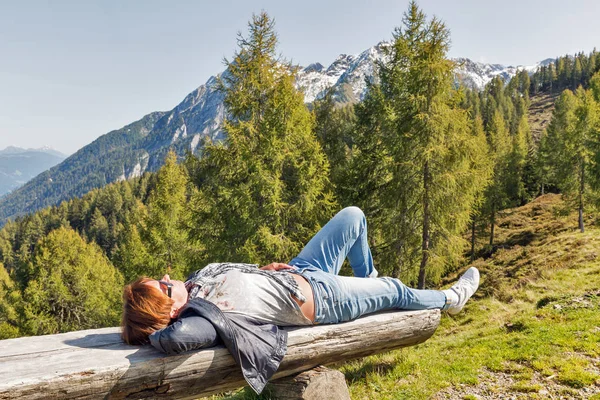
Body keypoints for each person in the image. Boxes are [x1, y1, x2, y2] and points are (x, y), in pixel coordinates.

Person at [121, 206, 479, 393]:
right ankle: (449, 299)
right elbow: (177, 338)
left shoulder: (196, 284)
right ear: (169, 310)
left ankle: (370, 286)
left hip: (300, 270)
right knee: (397, 288)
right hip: (324, 298)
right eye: (164, 287)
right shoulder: (197, 319)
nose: (168, 278)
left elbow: (242, 285)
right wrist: (154, 331)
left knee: (353, 217)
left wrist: (265, 271)